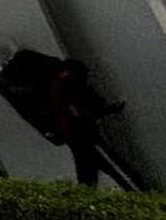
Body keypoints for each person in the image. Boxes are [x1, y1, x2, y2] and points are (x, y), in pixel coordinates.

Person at [49, 59, 121, 188]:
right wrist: (108, 109)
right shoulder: (65, 87)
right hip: (83, 136)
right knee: (116, 169)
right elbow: (79, 114)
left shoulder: (58, 86)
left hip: (75, 136)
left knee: (87, 175)